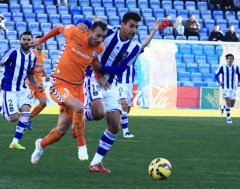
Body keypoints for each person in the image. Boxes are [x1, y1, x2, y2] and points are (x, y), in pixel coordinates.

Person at [76, 12, 160, 173]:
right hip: (92, 77)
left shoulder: (135, 47)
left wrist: (103, 68)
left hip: (111, 83)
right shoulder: (108, 32)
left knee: (114, 125)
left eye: (136, 27)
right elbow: (87, 24)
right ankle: (78, 117)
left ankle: (95, 163)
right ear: (122, 24)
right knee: (99, 113)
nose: (134, 30)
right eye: (131, 26)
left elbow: (121, 69)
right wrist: (80, 23)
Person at [29, 21, 108, 164]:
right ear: (89, 31)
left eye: (103, 37)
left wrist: (99, 77)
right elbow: (58, 29)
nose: (100, 40)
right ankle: (82, 145)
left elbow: (94, 62)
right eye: (98, 36)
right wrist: (40, 41)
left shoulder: (100, 47)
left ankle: (40, 145)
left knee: (60, 131)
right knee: (79, 108)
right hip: (59, 83)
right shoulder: (74, 32)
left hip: (77, 88)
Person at [0, 31, 45, 149]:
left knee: (26, 113)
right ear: (20, 41)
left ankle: (15, 142)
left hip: (22, 89)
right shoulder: (13, 52)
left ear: (32, 42)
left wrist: (37, 85)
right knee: (14, 118)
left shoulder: (32, 57)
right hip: (8, 89)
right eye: (23, 39)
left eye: (28, 40)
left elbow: (30, 76)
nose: (26, 42)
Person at [26, 35, 50, 130]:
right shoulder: (31, 54)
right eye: (38, 42)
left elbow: (41, 67)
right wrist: (37, 69)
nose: (40, 44)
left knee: (43, 103)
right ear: (36, 43)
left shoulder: (44, 55)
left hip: (39, 83)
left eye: (42, 42)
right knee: (25, 105)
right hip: (30, 82)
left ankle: (28, 119)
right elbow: (27, 68)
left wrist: (46, 75)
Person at [215, 54, 240, 124]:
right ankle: (228, 118)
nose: (230, 60)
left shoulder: (235, 67)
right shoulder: (222, 67)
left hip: (233, 88)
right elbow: (216, 75)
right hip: (225, 87)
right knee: (228, 102)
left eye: (232, 59)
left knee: (232, 105)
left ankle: (222, 107)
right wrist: (219, 82)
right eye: (229, 58)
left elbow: (239, 75)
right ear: (226, 59)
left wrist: (238, 82)